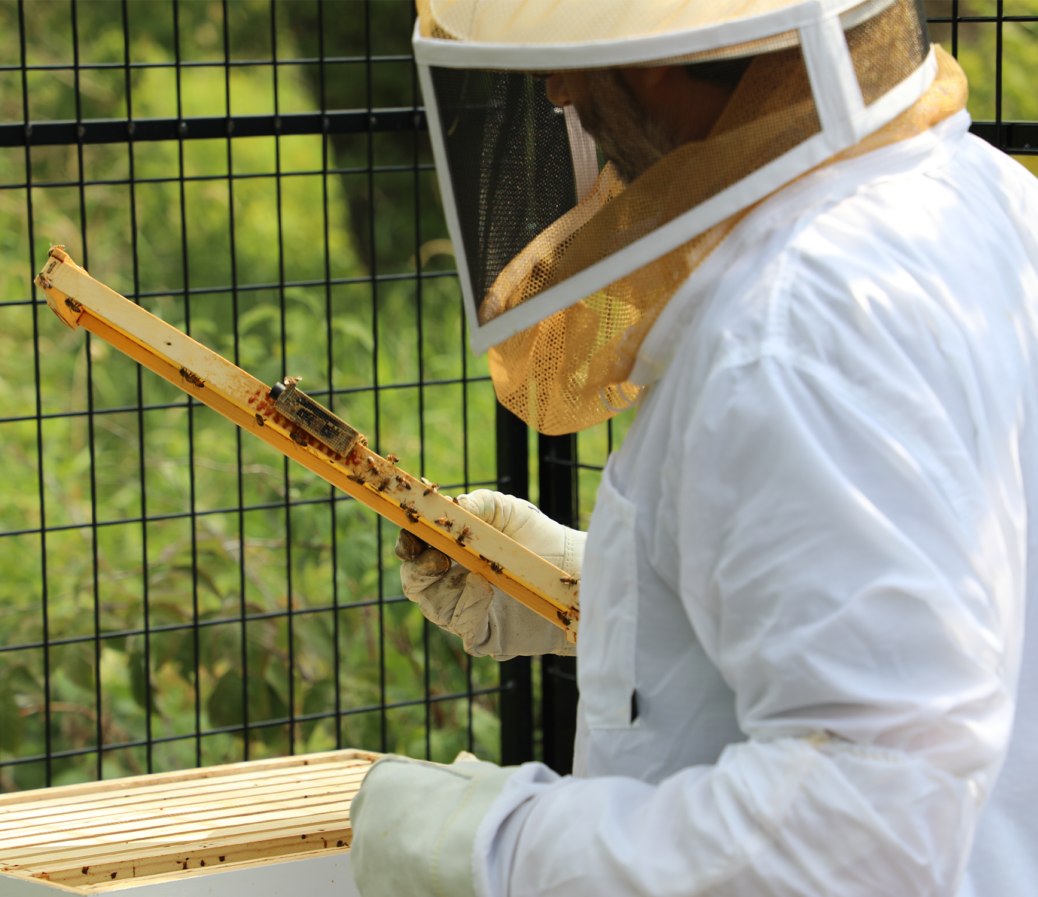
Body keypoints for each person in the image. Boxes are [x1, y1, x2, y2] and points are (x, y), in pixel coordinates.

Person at [348, 1, 1038, 895]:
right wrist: (600, 587)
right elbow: (937, 602)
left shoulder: (788, 329)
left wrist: (497, 848)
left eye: (576, 51)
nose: (557, 87)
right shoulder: (978, 198)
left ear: (671, 45)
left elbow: (868, 828)